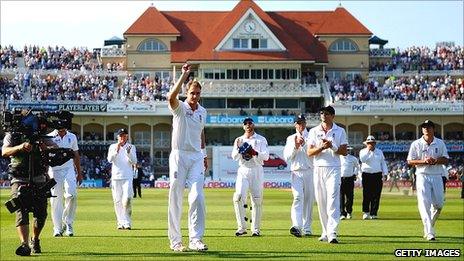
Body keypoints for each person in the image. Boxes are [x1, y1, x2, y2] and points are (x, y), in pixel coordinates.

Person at [167, 63, 208, 252]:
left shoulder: (203, 112)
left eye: (198, 94)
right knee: (176, 196)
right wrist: (184, 75)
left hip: (196, 157)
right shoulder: (180, 108)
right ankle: (176, 241)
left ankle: (195, 239)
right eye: (192, 93)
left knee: (197, 197)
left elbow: (201, 134)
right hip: (179, 155)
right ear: (187, 92)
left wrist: (204, 154)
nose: (195, 97)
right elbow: (170, 97)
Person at [2, 130, 56, 256]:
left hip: (39, 177)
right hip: (19, 178)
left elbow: (55, 148)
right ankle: (24, 244)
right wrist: (20, 146)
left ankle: (35, 239)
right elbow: (4, 151)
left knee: (41, 213)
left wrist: (45, 148)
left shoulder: (40, 134)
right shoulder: (12, 135)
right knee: (20, 210)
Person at [307, 105, 347, 244]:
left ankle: (332, 232)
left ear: (333, 116)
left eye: (327, 113)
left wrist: (332, 146)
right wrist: (322, 147)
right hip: (318, 168)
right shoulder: (313, 131)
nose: (324, 115)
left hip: (334, 168)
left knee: (332, 199)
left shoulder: (340, 130)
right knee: (321, 202)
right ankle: (325, 231)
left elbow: (344, 151)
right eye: (322, 113)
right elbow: (309, 152)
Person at [407, 120, 449, 241]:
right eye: (424, 127)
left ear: (433, 129)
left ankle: (428, 227)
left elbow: (446, 159)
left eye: (428, 127)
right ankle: (430, 232)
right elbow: (410, 161)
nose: (426, 129)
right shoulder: (416, 144)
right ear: (422, 129)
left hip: (437, 175)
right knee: (424, 204)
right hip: (422, 175)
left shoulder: (440, 143)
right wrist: (423, 161)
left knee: (439, 205)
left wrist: (435, 160)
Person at [232, 117, 269, 237]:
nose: (248, 125)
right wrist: (239, 149)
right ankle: (242, 227)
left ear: (253, 125)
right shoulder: (238, 139)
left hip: (256, 170)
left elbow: (266, 157)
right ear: (243, 126)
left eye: (250, 123)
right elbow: (234, 157)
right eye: (245, 124)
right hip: (243, 170)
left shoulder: (261, 139)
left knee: (256, 200)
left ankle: (256, 229)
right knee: (238, 197)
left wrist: (254, 152)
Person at [48, 127, 82, 237]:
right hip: (54, 169)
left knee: (72, 195)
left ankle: (68, 223)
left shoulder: (72, 137)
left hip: (69, 169)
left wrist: (79, 173)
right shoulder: (49, 136)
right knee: (56, 199)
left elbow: (76, 155)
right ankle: (57, 228)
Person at [283, 114, 314, 237]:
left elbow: (314, 153)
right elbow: (287, 157)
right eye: (299, 123)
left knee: (309, 200)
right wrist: (295, 147)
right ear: (295, 124)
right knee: (297, 197)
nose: (301, 125)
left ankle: (307, 227)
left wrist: (305, 144)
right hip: (296, 171)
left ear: (305, 123)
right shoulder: (291, 138)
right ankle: (296, 226)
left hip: (310, 171)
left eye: (303, 122)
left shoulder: (312, 135)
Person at [107, 128, 137, 230]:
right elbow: (110, 159)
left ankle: (127, 222)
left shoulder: (131, 147)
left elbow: (134, 161)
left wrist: (128, 153)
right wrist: (117, 149)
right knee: (117, 201)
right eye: (121, 136)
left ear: (127, 137)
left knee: (127, 198)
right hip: (116, 177)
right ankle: (120, 222)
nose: (122, 138)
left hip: (127, 176)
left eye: (124, 136)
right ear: (117, 137)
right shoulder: (112, 146)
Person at [359, 135, 388, 220]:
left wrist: (385, 173)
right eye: (369, 143)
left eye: (372, 143)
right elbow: (363, 160)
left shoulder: (379, 152)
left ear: (375, 143)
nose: (371, 144)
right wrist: (369, 151)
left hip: (377, 174)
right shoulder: (363, 151)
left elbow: (383, 163)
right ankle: (366, 212)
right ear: (366, 144)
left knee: (376, 194)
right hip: (367, 174)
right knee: (366, 194)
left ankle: (374, 213)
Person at [340, 147, 360, 220]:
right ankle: (342, 213)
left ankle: (349, 212)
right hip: (340, 179)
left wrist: (354, 174)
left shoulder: (353, 158)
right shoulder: (338, 158)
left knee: (350, 196)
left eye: (347, 149)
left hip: (350, 178)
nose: (346, 151)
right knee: (341, 196)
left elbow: (357, 167)